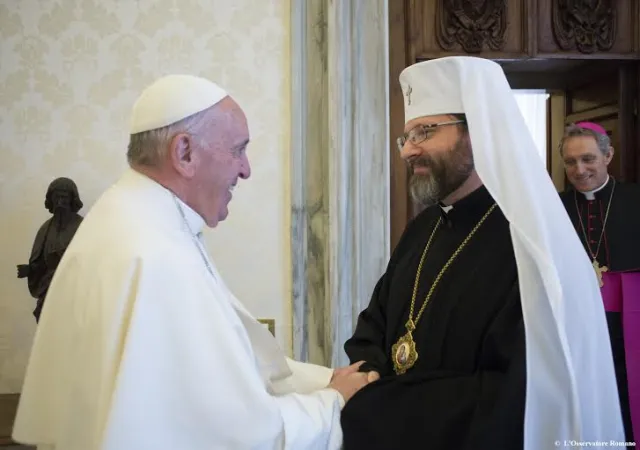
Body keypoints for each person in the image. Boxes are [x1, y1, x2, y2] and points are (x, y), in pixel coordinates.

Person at [12, 74, 378, 450]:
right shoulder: (154, 252)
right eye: (238, 150)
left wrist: (323, 379)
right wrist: (332, 400)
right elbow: (237, 434)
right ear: (184, 152)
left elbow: (225, 367)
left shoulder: (131, 216)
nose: (246, 169)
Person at [339, 57, 625, 450]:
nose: (408, 151)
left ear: (479, 132)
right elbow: (374, 324)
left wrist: (377, 401)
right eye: (406, 137)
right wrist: (368, 372)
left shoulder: (533, 245)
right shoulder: (422, 229)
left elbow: (518, 395)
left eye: (425, 131)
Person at [558, 121, 640, 442]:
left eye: (588, 159)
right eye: (570, 162)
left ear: (608, 156)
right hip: (575, 325)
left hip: (627, 326)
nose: (579, 169)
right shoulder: (556, 207)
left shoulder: (634, 200)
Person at [16, 177, 84, 322]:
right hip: (49, 288)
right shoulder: (46, 229)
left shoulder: (83, 227)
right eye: (56, 197)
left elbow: (92, 259)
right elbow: (41, 262)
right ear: (51, 200)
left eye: (64, 197)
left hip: (74, 290)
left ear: (72, 199)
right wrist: (30, 269)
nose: (60, 202)